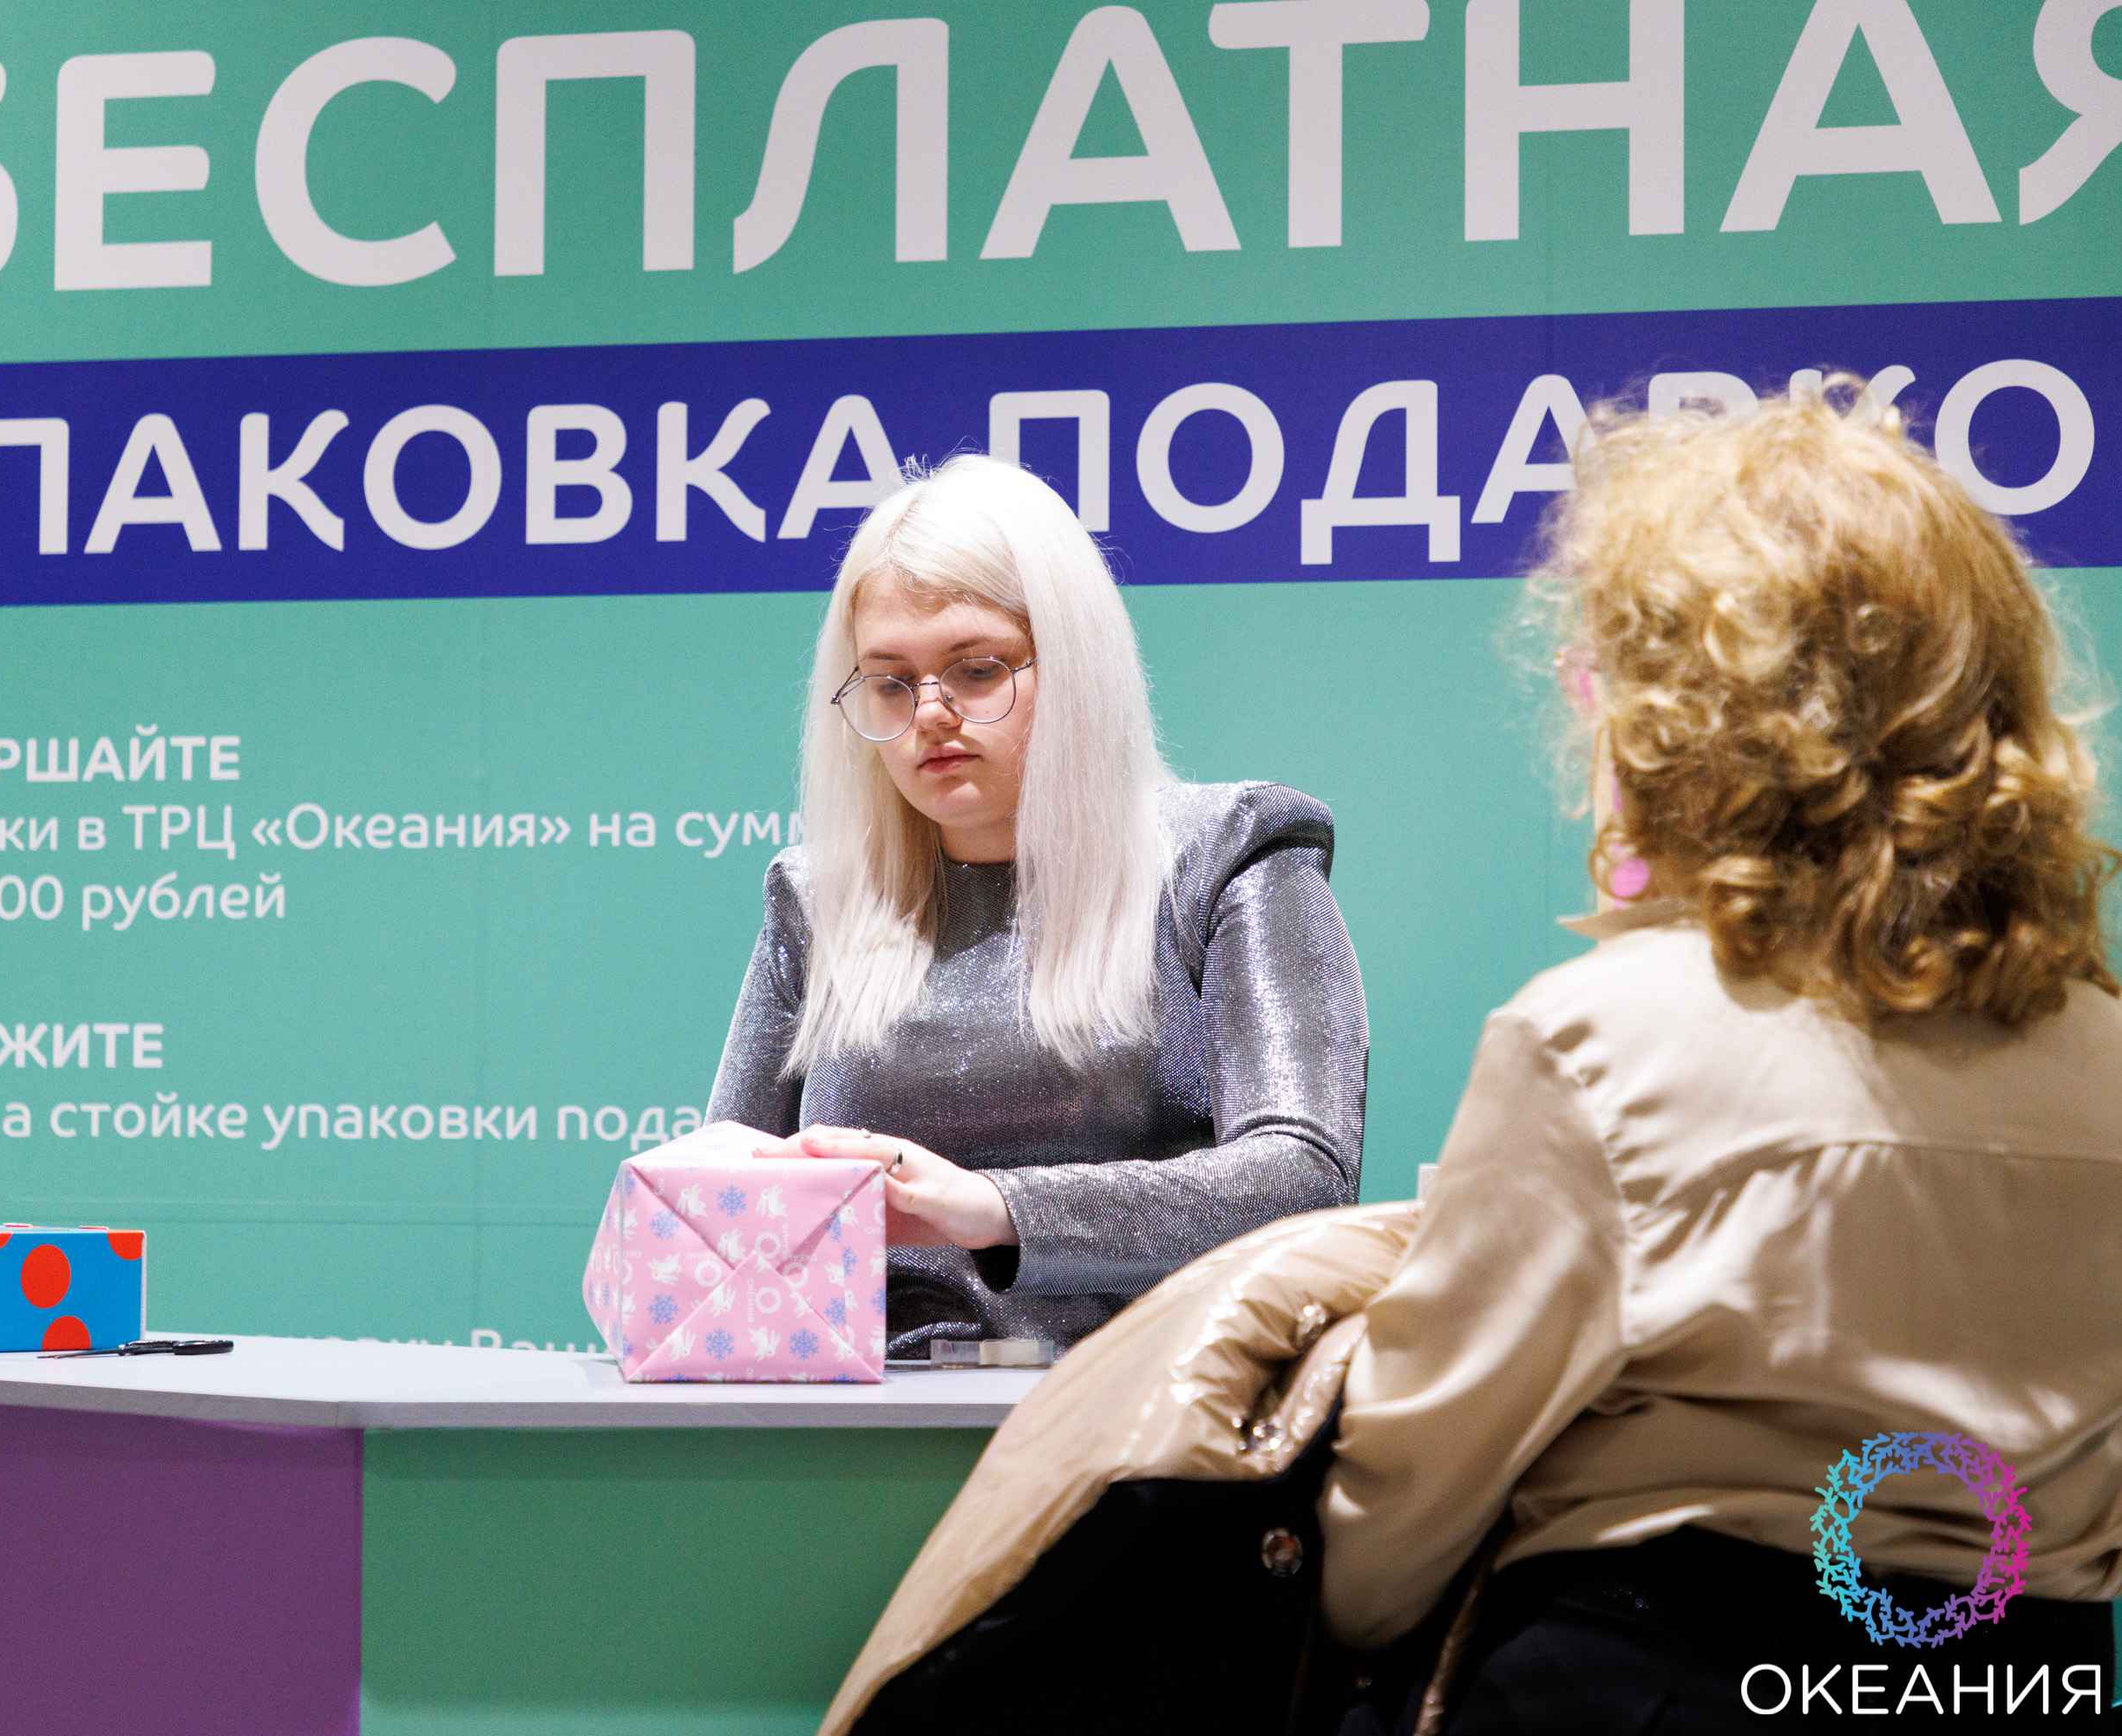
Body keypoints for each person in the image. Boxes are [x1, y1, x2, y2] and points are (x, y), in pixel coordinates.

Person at [1320, 379, 2122, 1731]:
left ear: (1681, 713)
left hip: (1649, 1681)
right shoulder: (2105, 1057)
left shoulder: (1597, 1041)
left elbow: (1393, 1530)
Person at [705, 452, 1368, 1359]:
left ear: (1075, 665)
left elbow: (1304, 1175)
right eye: (890, 682)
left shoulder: (1227, 855)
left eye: (976, 670)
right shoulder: (816, 900)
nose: (929, 713)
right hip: (867, 1413)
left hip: (1149, 1402)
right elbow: (721, 1204)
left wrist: (993, 1208)